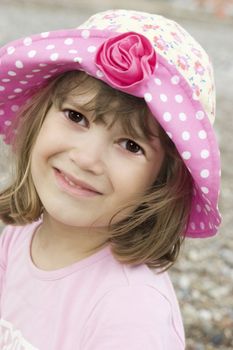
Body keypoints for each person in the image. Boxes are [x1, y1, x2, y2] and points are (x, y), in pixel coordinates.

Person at [0, 9, 221, 350]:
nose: (86, 159)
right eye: (76, 116)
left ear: (163, 182)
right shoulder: (19, 235)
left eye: (130, 145)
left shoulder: (131, 313)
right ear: (40, 114)